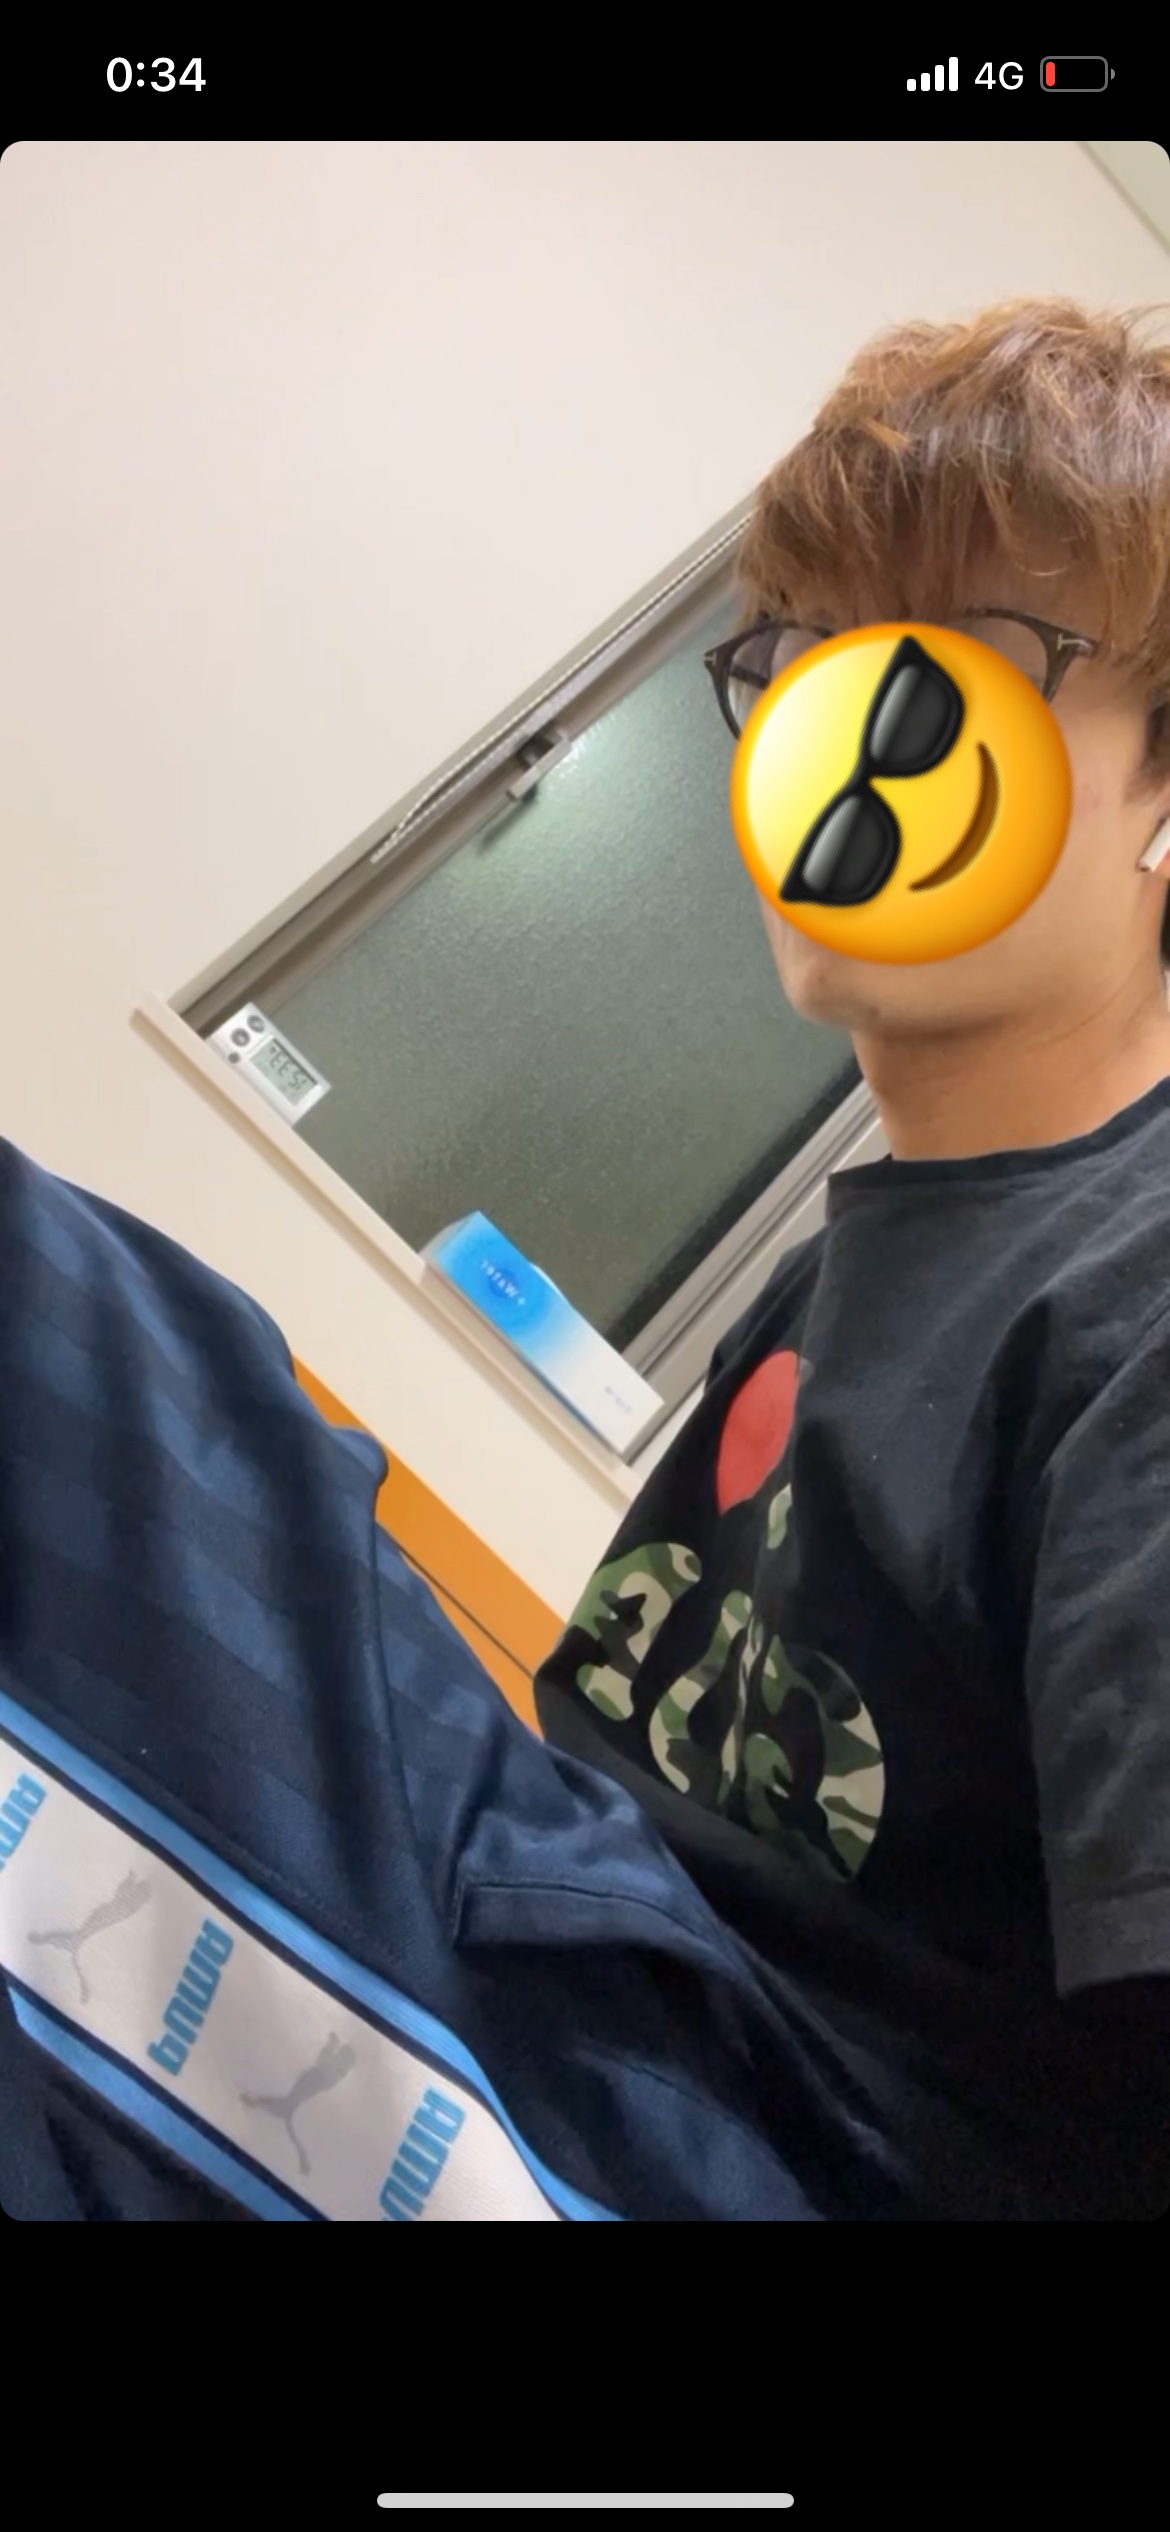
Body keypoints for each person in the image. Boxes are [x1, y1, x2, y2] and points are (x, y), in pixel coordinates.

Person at [3, 296, 1169, 2221]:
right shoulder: (848, 1272)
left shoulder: (1136, 1292)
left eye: (942, 673)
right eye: (798, 664)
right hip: (571, 1990)